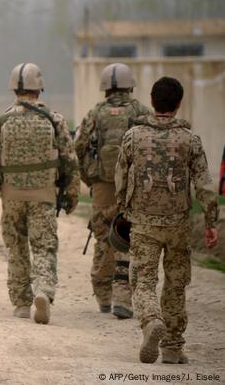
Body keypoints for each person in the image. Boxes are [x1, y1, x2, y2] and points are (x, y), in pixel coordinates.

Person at [115, 77, 219, 364]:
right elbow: (205, 186)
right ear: (178, 103)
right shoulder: (190, 140)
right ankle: (172, 347)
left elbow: (121, 178)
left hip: (144, 223)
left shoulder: (133, 136)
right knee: (175, 283)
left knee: (143, 280)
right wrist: (211, 223)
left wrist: (122, 210)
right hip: (178, 226)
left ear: (151, 101)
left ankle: (150, 320)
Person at [0, 63, 80, 324]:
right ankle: (43, 290)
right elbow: (70, 160)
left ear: (14, 88)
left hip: (11, 197)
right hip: (43, 196)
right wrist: (73, 193)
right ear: (39, 88)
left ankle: (22, 302)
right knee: (44, 247)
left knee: (17, 247)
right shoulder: (54, 121)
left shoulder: (2, 122)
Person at [74, 63, 152, 319]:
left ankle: (104, 294)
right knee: (129, 236)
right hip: (134, 185)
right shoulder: (141, 111)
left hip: (103, 185)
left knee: (103, 235)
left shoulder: (96, 112)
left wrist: (90, 177)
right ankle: (124, 296)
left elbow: (79, 147)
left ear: (105, 87)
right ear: (131, 85)